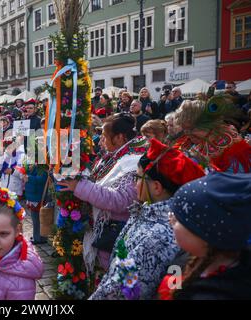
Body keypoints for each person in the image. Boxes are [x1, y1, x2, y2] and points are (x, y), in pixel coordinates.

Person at [90, 138, 205, 300]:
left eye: (138, 178)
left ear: (157, 187)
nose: (135, 184)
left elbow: (123, 289)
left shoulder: (157, 234)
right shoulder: (147, 211)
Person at [57, 114, 148, 273]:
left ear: (119, 138)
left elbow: (120, 200)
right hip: (106, 232)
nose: (101, 141)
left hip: (116, 235)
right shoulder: (116, 156)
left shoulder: (133, 162)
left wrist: (79, 186)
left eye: (105, 137)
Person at [158, 172, 251, 300]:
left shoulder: (215, 294)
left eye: (178, 219)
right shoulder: (192, 256)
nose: (170, 220)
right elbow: (173, 275)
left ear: (203, 234)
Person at [174, 97, 251, 173]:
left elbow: (238, 182)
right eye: (185, 129)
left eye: (192, 129)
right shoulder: (204, 143)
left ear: (209, 125)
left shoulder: (233, 150)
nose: (188, 134)